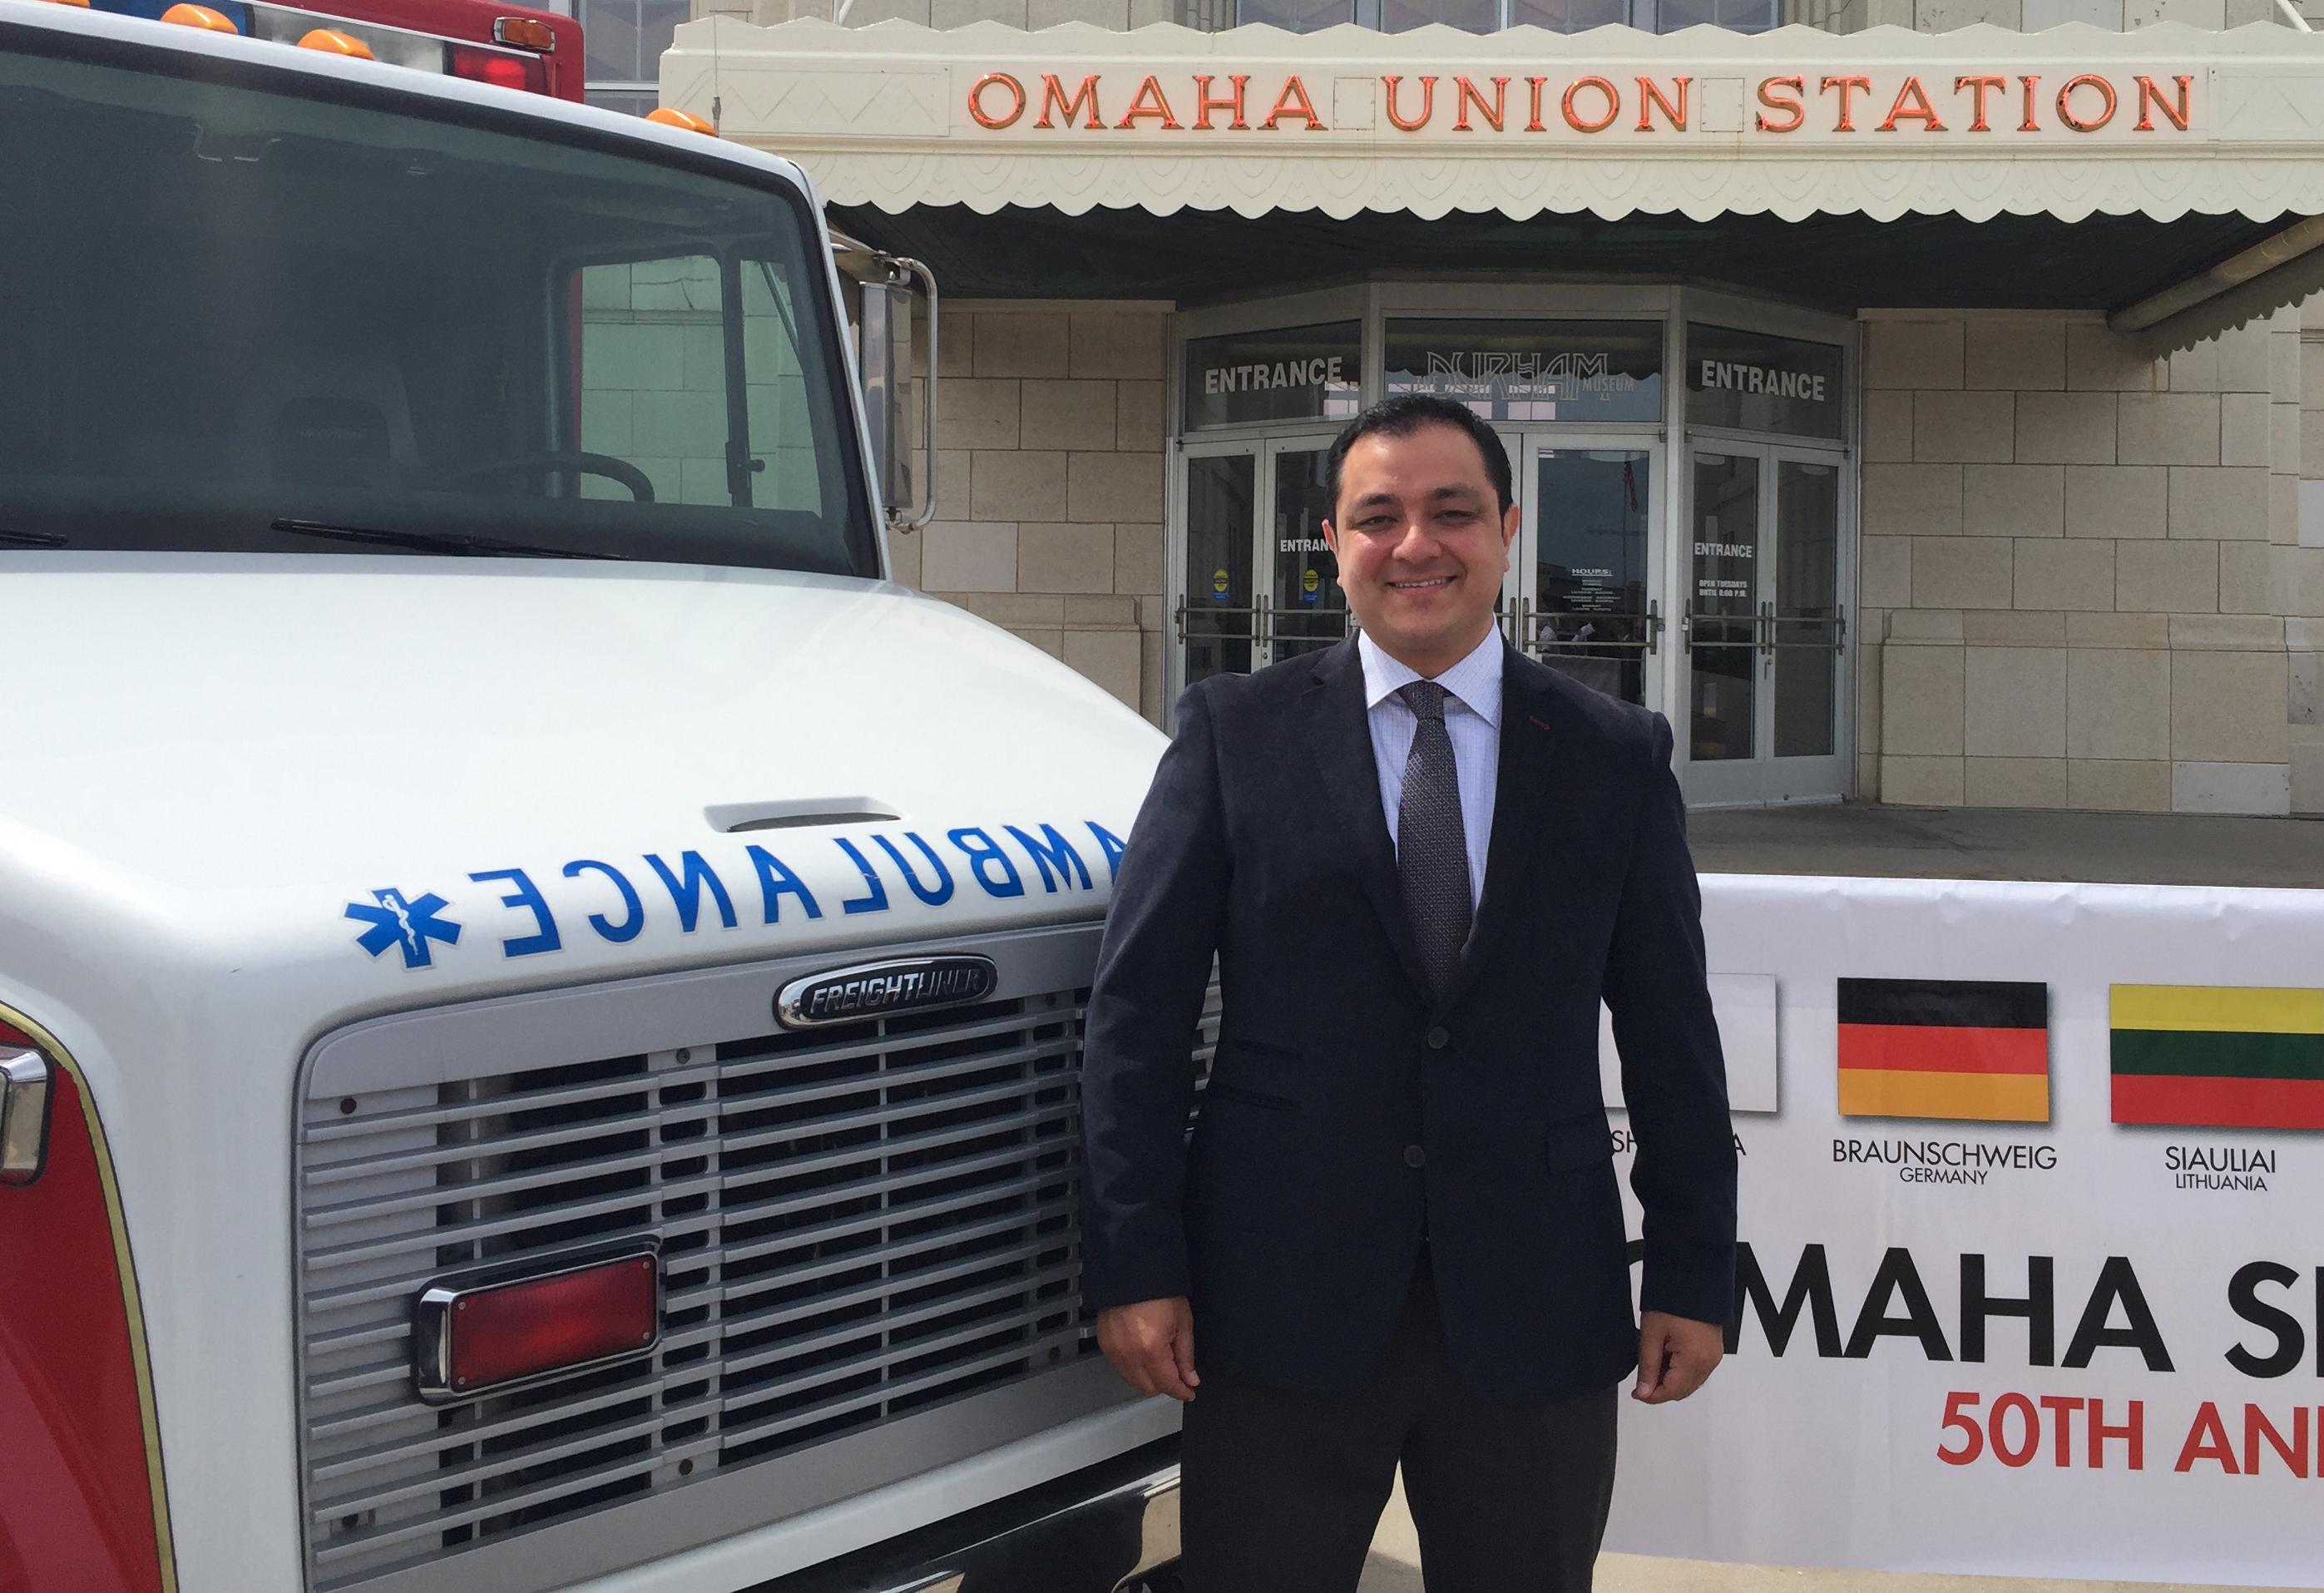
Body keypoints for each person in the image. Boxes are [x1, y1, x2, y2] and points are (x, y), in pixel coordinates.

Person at [1077, 393, 1737, 1593]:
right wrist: (1135, 1263)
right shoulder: (1236, 735)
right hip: (1276, 1302)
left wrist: (1695, 1266)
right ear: (1330, 543)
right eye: (1376, 516)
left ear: (1506, 531)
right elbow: (1138, 1019)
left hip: (1534, 1305)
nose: (1414, 544)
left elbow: (1669, 1032)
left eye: (1451, 512)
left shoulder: (1613, 755)